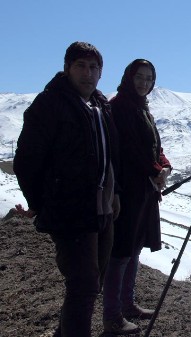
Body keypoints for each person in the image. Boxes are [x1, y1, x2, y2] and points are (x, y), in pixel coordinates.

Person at [12, 41, 129, 337]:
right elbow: (26, 161)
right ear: (67, 68)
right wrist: (41, 203)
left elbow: (111, 153)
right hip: (69, 210)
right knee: (84, 285)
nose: (87, 73)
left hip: (100, 208)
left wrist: (115, 194)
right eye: (80, 66)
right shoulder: (49, 104)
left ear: (101, 73)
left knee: (93, 282)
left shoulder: (100, 104)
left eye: (93, 67)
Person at [102, 59, 171, 334]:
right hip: (127, 191)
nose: (144, 83)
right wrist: (156, 170)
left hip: (144, 191)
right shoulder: (120, 106)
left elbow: (155, 146)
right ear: (129, 77)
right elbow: (129, 149)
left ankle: (127, 304)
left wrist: (164, 166)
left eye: (149, 79)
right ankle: (112, 316)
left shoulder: (142, 109)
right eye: (139, 77)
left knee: (134, 249)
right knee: (120, 252)